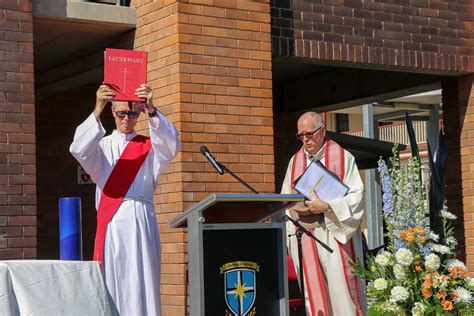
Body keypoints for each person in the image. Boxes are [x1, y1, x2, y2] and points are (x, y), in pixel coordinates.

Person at [70, 84, 180, 315]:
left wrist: (151, 109)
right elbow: (78, 148)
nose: (126, 118)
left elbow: (171, 145)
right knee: (115, 277)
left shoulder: (149, 147)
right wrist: (97, 107)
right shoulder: (101, 146)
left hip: (142, 220)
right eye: (121, 113)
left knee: (144, 278)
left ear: (138, 114)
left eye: (132, 113)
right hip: (113, 224)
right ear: (113, 112)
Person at [281, 111, 366, 316]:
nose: (305, 140)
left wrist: (327, 206)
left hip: (335, 232)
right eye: (300, 135)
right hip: (306, 234)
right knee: (315, 298)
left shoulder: (343, 158)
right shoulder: (295, 161)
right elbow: (284, 201)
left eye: (309, 134)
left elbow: (357, 198)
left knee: (342, 296)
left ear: (322, 130)